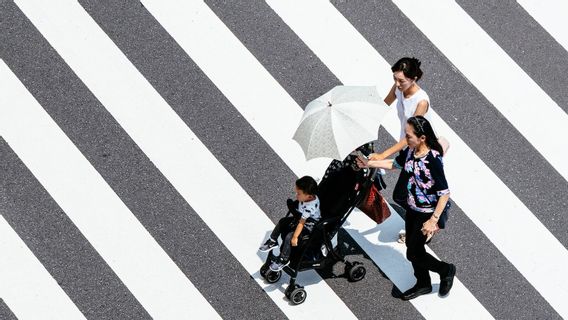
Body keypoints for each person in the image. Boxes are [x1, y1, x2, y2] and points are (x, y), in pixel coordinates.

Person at [357, 116, 456, 299]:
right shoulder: (411, 150)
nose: (406, 138)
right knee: (413, 248)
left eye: (409, 135)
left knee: (413, 253)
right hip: (412, 208)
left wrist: (433, 221)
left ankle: (446, 269)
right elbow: (395, 164)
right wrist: (369, 163)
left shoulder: (432, 159)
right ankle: (423, 283)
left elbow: (444, 193)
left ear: (422, 138)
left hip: (426, 213)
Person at [258, 176, 321, 272]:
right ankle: (272, 240)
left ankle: (284, 259)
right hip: (300, 217)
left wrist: (295, 237)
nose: (296, 195)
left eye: (298, 194)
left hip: (307, 226)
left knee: (289, 237)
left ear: (309, 196)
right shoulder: (308, 196)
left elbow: (301, 223)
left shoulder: (310, 207)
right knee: (283, 221)